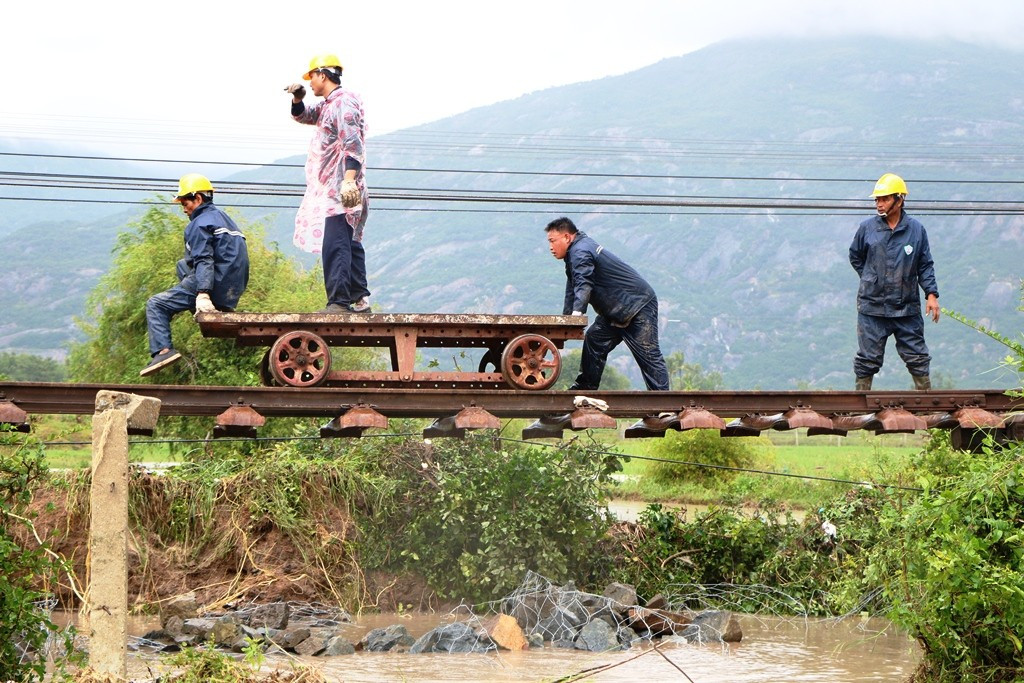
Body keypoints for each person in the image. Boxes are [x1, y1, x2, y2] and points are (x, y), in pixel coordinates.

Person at [285, 54, 371, 314]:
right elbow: (304, 116)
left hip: (344, 185)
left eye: (311, 77)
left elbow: (352, 143)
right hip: (345, 185)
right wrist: (298, 99)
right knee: (350, 238)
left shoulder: (343, 103)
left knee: (336, 240)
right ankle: (360, 298)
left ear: (323, 74)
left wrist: (348, 180)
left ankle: (339, 302)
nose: (309, 82)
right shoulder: (329, 105)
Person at [140, 174, 249, 377]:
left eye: (185, 202)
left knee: (156, 304)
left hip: (214, 283)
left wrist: (203, 293)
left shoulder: (198, 224)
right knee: (182, 265)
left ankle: (163, 351)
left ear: (198, 198)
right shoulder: (225, 219)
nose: (183, 208)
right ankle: (213, 304)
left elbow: (204, 260)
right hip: (233, 287)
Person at [545, 217, 670, 391]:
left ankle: (664, 405)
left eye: (552, 241)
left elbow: (584, 283)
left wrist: (576, 315)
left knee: (649, 355)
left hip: (637, 305)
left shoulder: (580, 251)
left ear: (567, 237)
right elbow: (573, 288)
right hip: (615, 310)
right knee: (594, 340)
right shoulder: (577, 251)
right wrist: (566, 321)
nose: (550, 247)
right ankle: (585, 390)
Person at [849, 173, 939, 391]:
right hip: (872, 307)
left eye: (885, 199)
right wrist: (872, 278)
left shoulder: (916, 230)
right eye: (877, 199)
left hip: (906, 307)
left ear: (899, 200)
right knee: (867, 359)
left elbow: (924, 264)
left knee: (917, 356)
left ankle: (926, 402)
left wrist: (931, 294)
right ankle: (860, 405)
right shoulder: (867, 228)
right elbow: (856, 256)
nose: (879, 204)